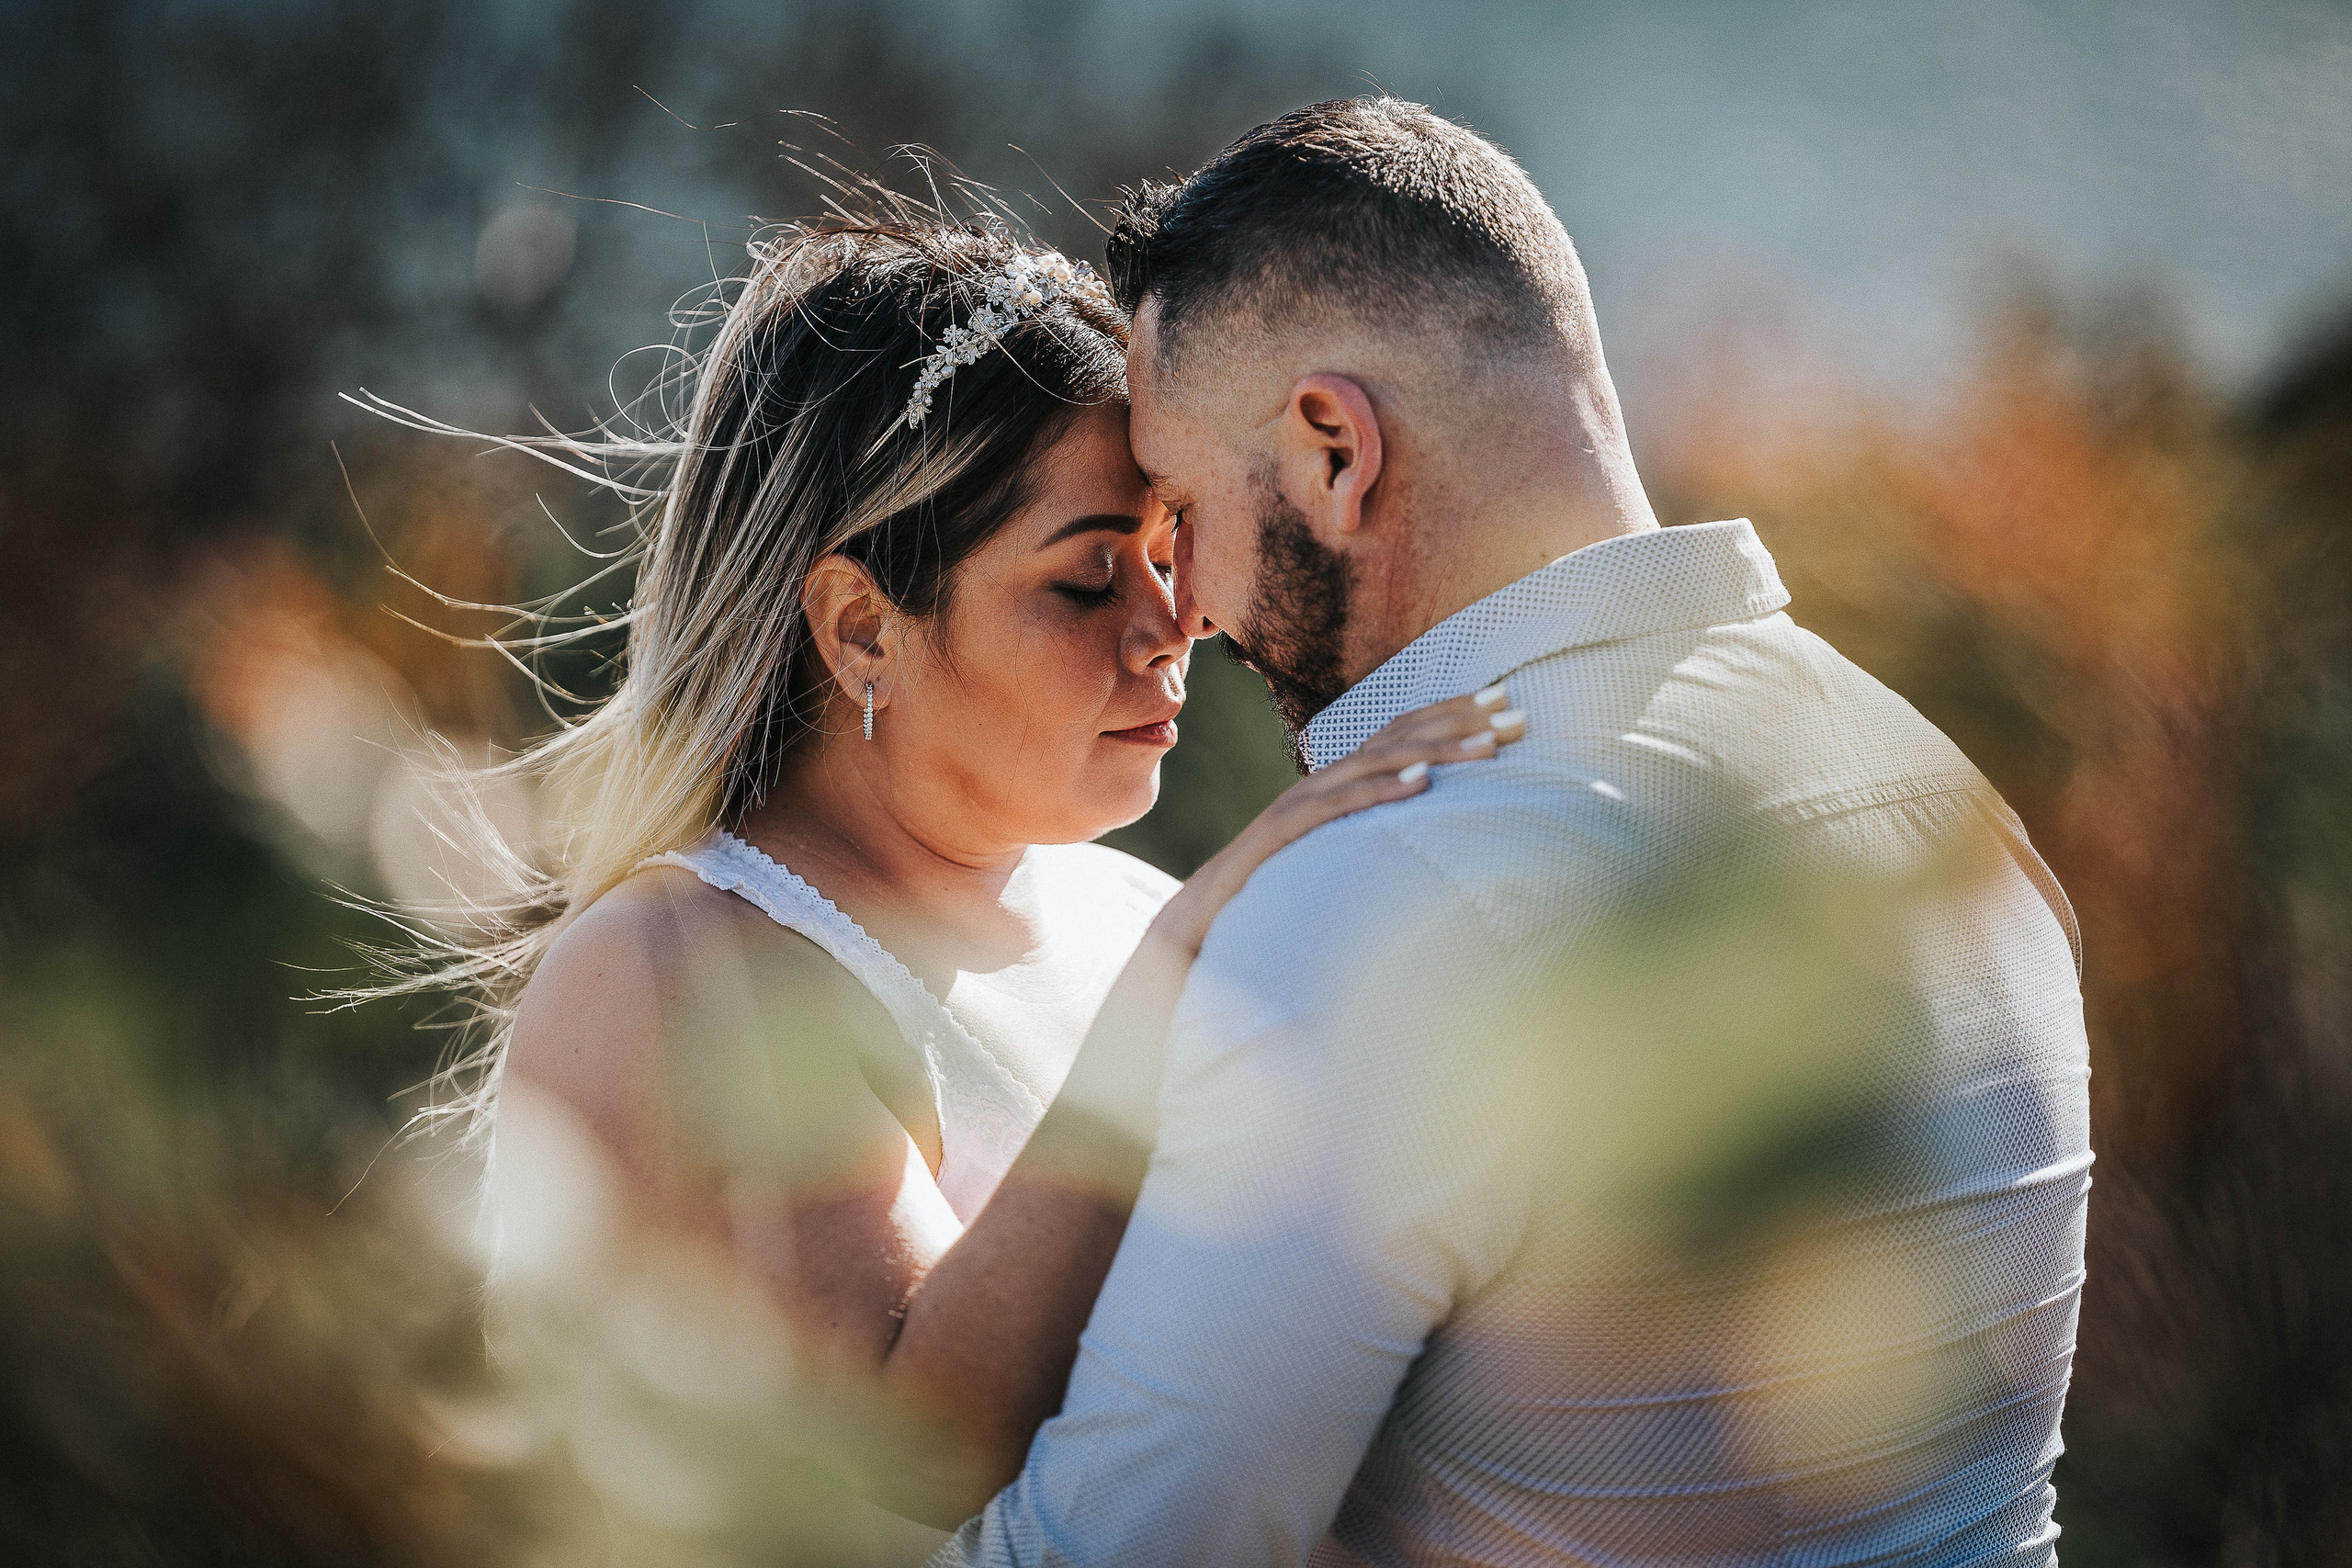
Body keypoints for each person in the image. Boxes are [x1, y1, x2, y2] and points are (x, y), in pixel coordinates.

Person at [936, 98, 2093, 1567]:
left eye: (1180, 507)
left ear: (1334, 450)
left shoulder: (1381, 897)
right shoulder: (1946, 802)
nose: (1191, 608)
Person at [413, 209, 1522, 1562]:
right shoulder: (677, 967)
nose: (1175, 626)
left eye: (1169, 552)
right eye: (1089, 578)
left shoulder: (1118, 902)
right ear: (862, 627)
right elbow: (908, 1449)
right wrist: (1179, 975)